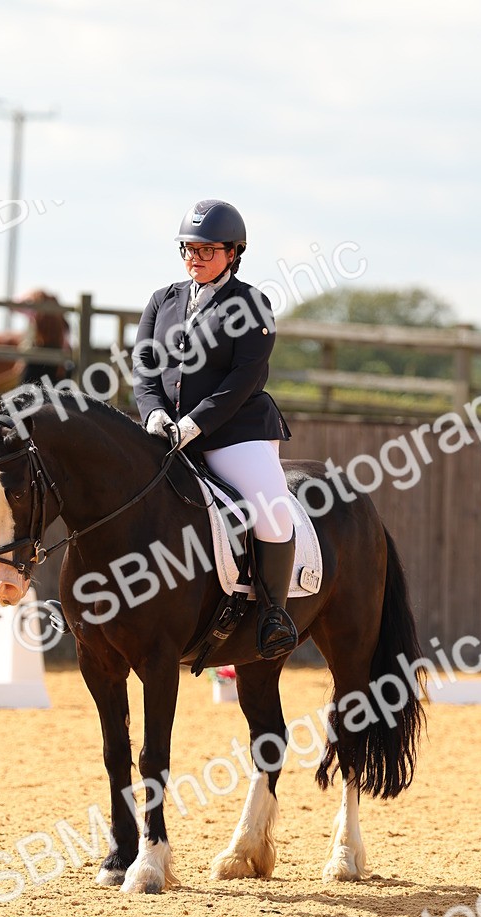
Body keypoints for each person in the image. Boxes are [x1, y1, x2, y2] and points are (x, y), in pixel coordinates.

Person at [132, 198, 297, 660]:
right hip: (165, 430)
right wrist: (152, 413)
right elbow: (144, 369)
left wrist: (195, 424)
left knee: (271, 509)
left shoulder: (250, 304)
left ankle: (273, 616)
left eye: (208, 250)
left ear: (233, 253)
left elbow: (245, 378)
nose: (195, 259)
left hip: (233, 432)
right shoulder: (162, 300)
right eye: (188, 249)